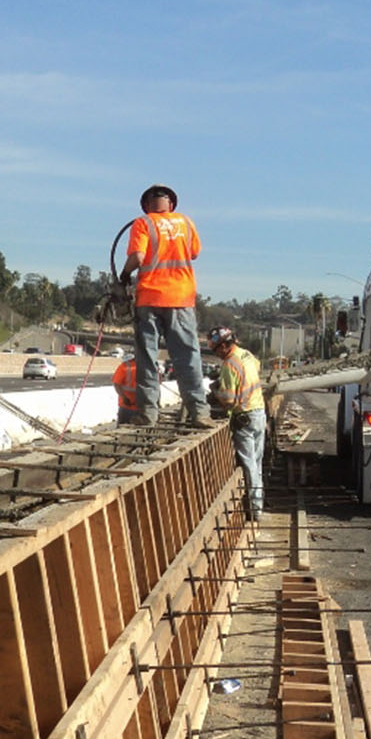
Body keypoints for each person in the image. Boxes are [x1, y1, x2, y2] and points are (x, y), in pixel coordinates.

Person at [119, 184, 212, 427]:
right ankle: (199, 413)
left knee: (147, 358)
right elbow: (195, 253)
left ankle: (148, 414)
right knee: (188, 356)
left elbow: (138, 258)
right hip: (181, 299)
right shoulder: (186, 222)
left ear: (148, 205)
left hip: (149, 299)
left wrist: (124, 274)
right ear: (170, 204)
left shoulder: (144, 223)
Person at [207, 326, 266, 520]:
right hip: (259, 413)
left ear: (224, 345)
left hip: (245, 418)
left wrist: (216, 391)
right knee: (257, 463)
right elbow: (255, 368)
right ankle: (259, 504)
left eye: (216, 349)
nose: (216, 354)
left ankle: (254, 509)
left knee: (249, 465)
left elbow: (229, 399)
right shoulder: (246, 354)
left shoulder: (229, 364)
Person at [112, 354, 139, 424]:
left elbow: (116, 384)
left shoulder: (124, 366)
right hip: (143, 406)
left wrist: (124, 398)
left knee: (122, 428)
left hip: (126, 405)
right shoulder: (146, 367)